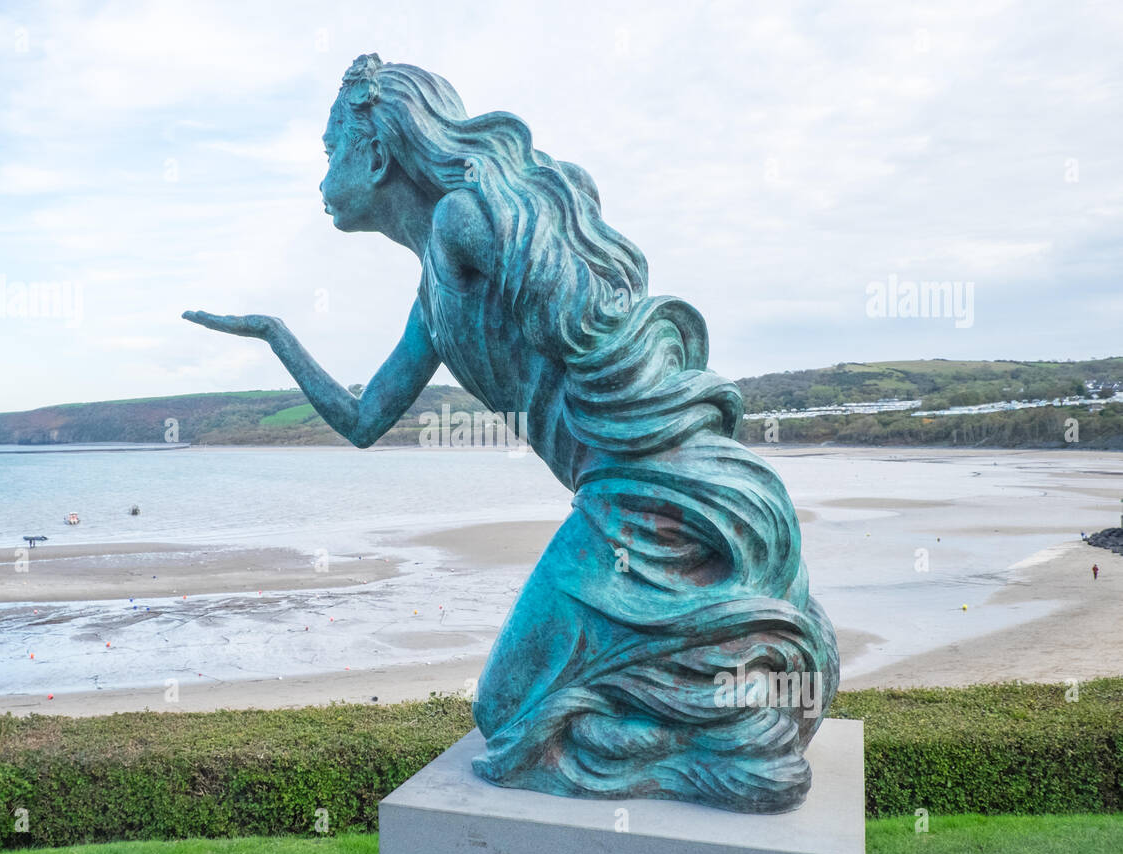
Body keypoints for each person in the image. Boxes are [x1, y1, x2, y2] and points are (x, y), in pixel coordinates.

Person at [183, 54, 837, 811]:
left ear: (377, 152)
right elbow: (364, 422)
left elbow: (595, 328)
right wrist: (276, 334)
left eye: (330, 152)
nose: (322, 176)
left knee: (508, 719)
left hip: (646, 489)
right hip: (618, 490)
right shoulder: (432, 293)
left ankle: (729, 733)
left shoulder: (470, 218)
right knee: (512, 714)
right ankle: (715, 726)